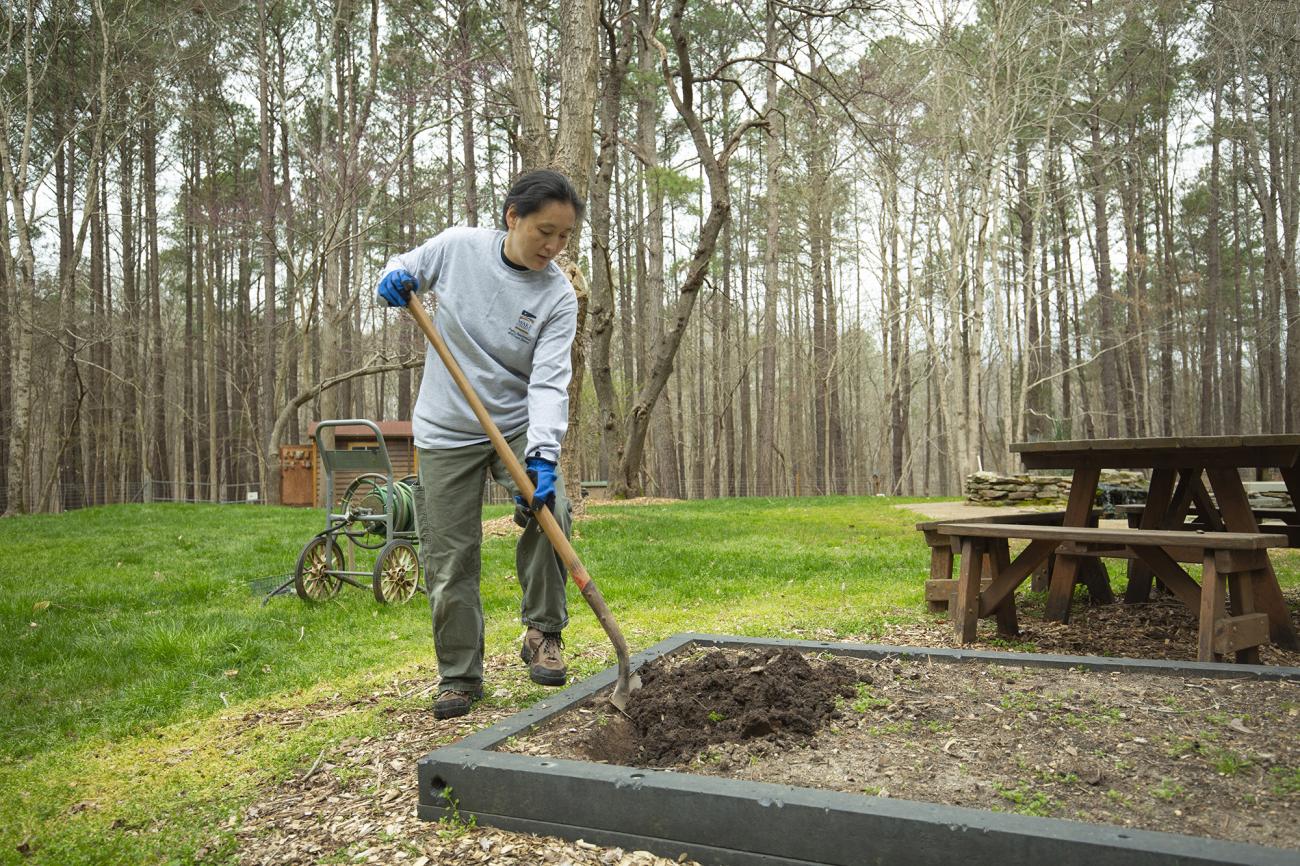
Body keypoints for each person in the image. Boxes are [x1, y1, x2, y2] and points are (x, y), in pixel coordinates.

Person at [376, 169, 582, 720]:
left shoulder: (558, 297)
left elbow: (549, 381)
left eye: (564, 236)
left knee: (551, 509)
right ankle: (460, 675)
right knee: (449, 555)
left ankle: (543, 632)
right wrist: (392, 279)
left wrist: (542, 454)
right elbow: (401, 266)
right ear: (513, 217)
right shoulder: (458, 248)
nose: (554, 247)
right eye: (545, 231)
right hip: (447, 427)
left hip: (515, 420)